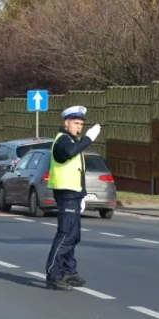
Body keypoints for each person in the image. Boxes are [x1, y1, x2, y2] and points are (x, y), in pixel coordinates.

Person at [44, 105, 101, 291]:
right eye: (76, 123)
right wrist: (88, 139)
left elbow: (77, 170)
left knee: (73, 236)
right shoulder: (62, 141)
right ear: (66, 123)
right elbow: (68, 153)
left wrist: (82, 194)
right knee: (65, 235)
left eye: (81, 124)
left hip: (74, 194)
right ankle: (53, 274)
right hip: (66, 193)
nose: (79, 127)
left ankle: (69, 271)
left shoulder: (70, 139)